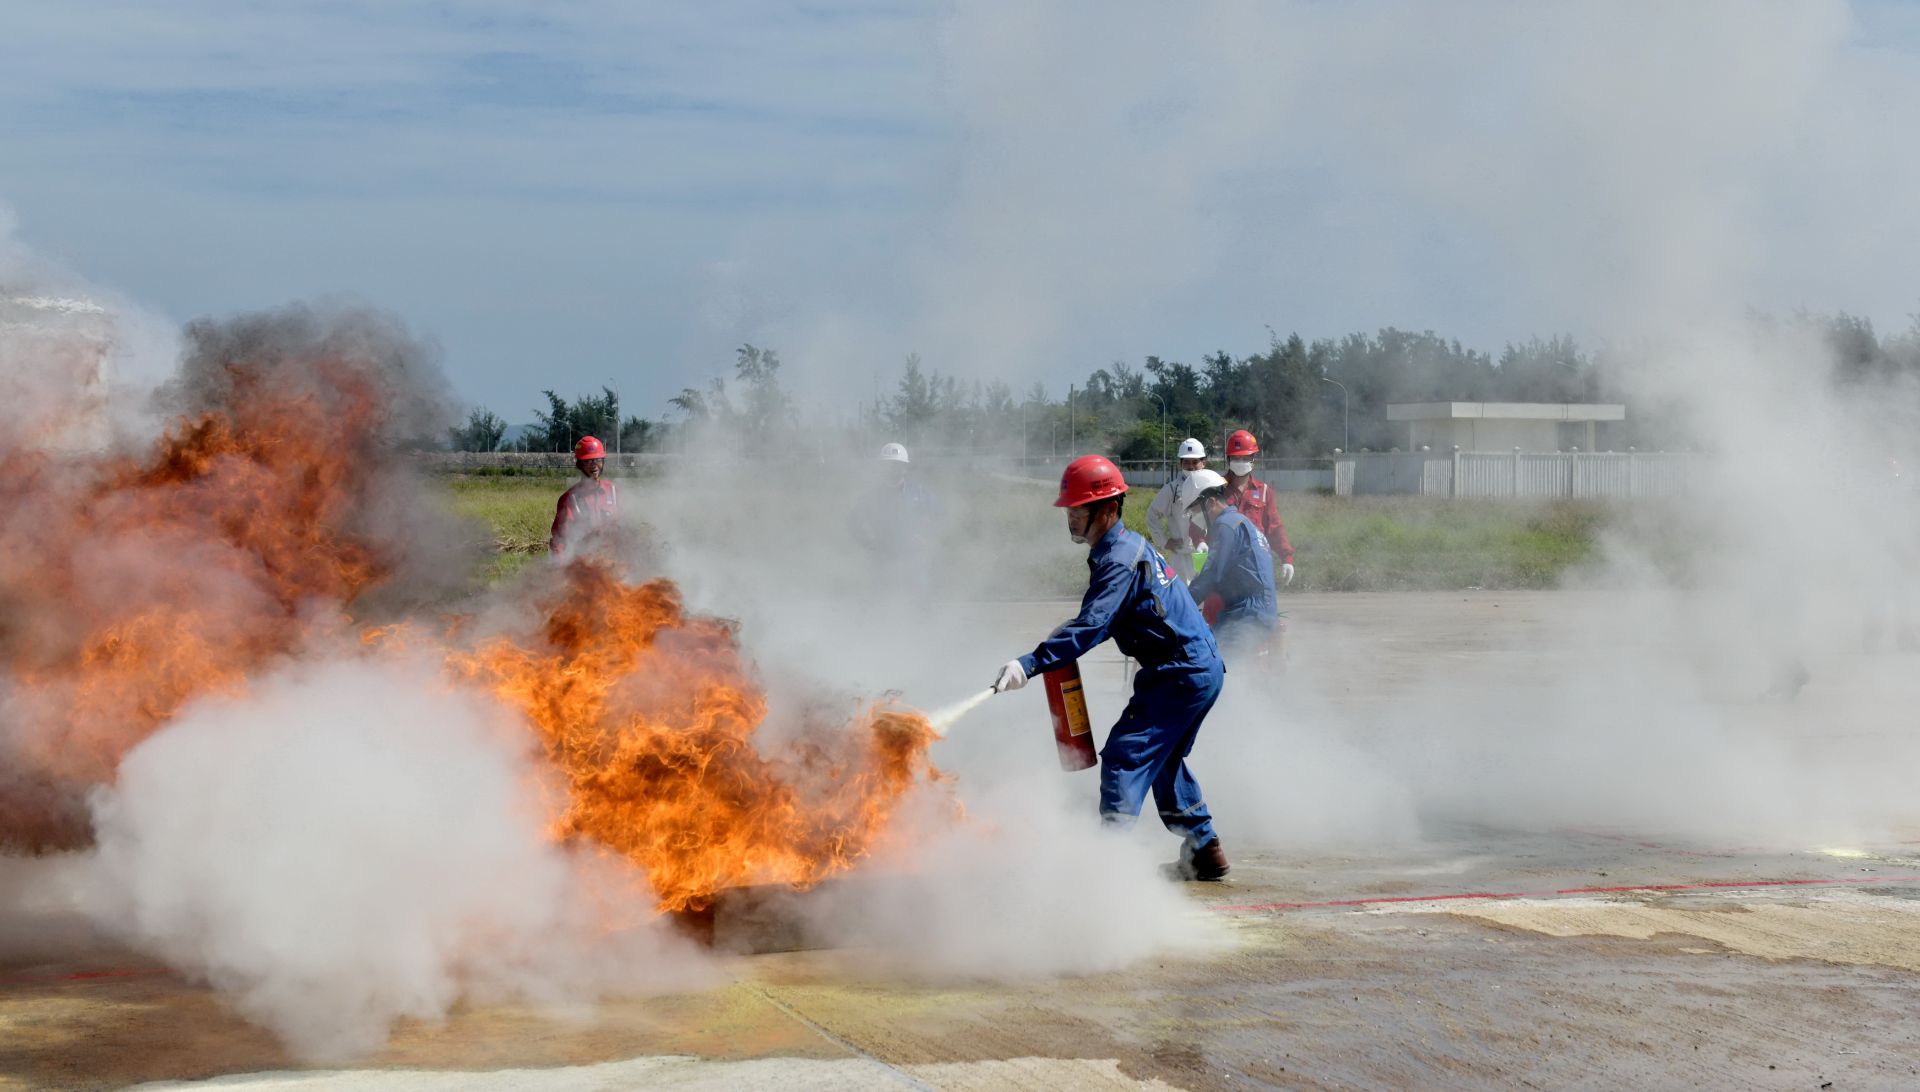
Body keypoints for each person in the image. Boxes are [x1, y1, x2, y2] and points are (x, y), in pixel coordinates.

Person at [991, 454, 1230, 881]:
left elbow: (1091, 627)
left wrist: (1029, 664)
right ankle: (1205, 849)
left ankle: (1108, 870)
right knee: (1165, 758)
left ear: (1108, 509)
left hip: (1179, 672)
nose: (1071, 517)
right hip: (1196, 667)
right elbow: (1098, 620)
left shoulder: (1119, 558)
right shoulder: (1123, 547)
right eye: (1069, 509)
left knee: (1125, 754)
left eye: (1079, 509)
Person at [1185, 470, 1280, 660]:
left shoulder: (1226, 526)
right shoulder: (1238, 521)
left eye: (1194, 511)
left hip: (1249, 612)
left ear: (1210, 503)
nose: (1193, 517)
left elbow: (1212, 575)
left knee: (1221, 666)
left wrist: (1181, 602)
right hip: (1253, 608)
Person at [855, 443, 940, 594]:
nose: (893, 469)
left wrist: (926, 536)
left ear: (905, 468)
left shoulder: (919, 493)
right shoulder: (871, 496)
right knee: (880, 600)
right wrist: (868, 543)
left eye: (898, 465)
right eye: (889, 465)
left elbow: (940, 515)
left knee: (919, 601)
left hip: (914, 559)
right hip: (882, 559)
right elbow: (853, 523)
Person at [1221, 429, 1296, 588]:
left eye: (1245, 457)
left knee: (1258, 612)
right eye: (1236, 458)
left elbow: (1274, 528)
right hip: (1223, 568)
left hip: (1256, 567)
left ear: (1253, 459)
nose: (1241, 461)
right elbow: (1201, 527)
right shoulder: (1216, 489)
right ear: (1228, 459)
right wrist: (1200, 548)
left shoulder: (1264, 492)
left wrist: (1286, 558)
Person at [1146, 438, 1212, 581]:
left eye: (1195, 462)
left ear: (1203, 463)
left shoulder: (1211, 487)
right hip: (1181, 556)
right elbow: (1152, 514)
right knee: (1183, 599)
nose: (1191, 466)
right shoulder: (1171, 489)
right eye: (1186, 462)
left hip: (1206, 553)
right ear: (1180, 463)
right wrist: (1163, 541)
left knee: (1205, 599)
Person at [549, 435, 619, 558]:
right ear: (579, 465)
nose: (594, 465)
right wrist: (559, 569)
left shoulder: (613, 491)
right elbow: (559, 539)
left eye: (598, 460)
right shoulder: (570, 499)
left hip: (615, 561)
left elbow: (625, 527)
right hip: (586, 564)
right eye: (588, 461)